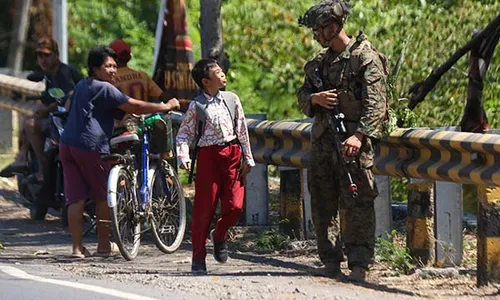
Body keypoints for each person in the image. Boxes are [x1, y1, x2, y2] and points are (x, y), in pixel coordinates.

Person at [297, 0, 389, 281]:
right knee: (323, 201)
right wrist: (315, 99)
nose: (315, 35)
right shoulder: (318, 65)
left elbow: (377, 104)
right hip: (324, 141)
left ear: (333, 27)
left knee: (358, 202)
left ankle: (359, 264)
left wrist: (359, 136)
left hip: (353, 143)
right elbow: (302, 97)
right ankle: (330, 260)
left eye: (318, 29)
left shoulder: (364, 58)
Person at [60, 46, 179, 258]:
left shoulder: (82, 85)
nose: (113, 70)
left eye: (115, 66)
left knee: (76, 198)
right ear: (95, 68)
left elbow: (69, 107)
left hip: (67, 144)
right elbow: (136, 107)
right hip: (90, 146)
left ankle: (77, 248)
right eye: (107, 66)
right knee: (103, 196)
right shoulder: (105, 88)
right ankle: (104, 245)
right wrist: (166, 106)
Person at [176, 59, 254, 275]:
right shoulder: (197, 106)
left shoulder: (231, 99)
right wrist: (184, 156)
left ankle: (219, 234)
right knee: (204, 210)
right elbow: (184, 133)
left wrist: (248, 157)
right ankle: (198, 258)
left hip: (232, 154)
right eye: (218, 72)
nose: (223, 74)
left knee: (235, 206)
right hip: (208, 157)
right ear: (206, 81)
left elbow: (242, 130)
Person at [0, 36, 83, 181]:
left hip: (70, 122)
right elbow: (54, 97)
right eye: (39, 55)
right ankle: (22, 159)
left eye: (47, 55)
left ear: (56, 55)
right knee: (28, 118)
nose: (43, 59)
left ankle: (43, 170)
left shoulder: (64, 72)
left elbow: (69, 96)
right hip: (61, 119)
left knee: (31, 124)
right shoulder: (50, 75)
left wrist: (47, 108)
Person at [109, 39, 173, 158]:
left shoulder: (109, 80)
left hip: (119, 129)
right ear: (129, 57)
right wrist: (172, 102)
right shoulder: (142, 76)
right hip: (143, 125)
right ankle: (166, 154)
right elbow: (163, 96)